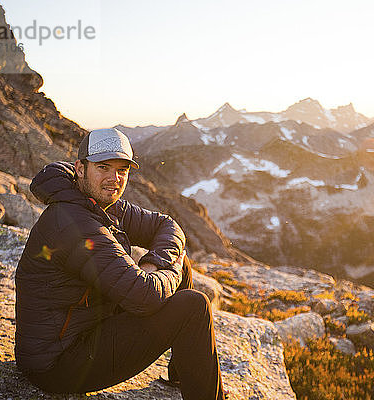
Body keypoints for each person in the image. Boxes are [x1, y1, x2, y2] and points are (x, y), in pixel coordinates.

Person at [14, 128, 225, 399]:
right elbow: (145, 296)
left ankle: (185, 373)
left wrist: (156, 262)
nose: (114, 179)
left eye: (122, 169)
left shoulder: (99, 204)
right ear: (80, 168)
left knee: (176, 263)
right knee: (193, 306)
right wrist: (163, 267)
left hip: (89, 329)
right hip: (57, 363)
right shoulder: (73, 224)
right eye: (103, 167)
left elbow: (166, 225)